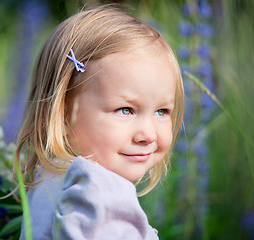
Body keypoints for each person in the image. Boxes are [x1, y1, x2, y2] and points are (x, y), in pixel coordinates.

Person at [16, 4, 184, 240]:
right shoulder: (99, 195)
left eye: (162, 111)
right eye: (125, 110)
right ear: (62, 112)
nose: (148, 134)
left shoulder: (50, 176)